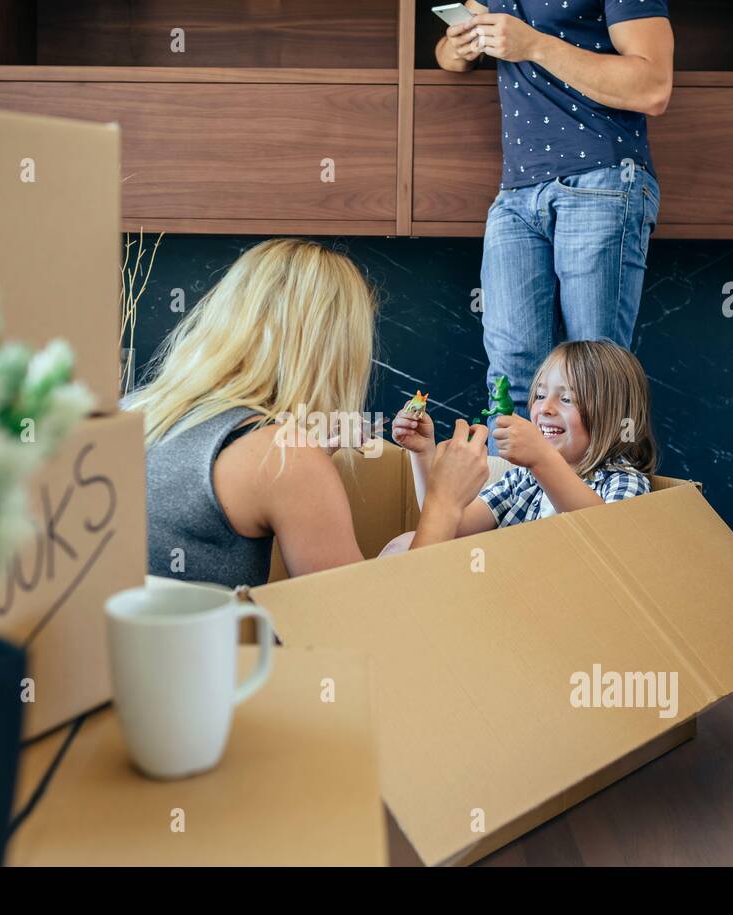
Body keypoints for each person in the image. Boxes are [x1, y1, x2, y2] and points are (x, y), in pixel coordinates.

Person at [124, 238, 491, 589]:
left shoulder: (133, 412)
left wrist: (308, 463)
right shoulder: (285, 459)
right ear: (333, 351)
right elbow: (369, 622)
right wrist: (444, 501)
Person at [436, 0, 673, 427]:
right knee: (510, 380)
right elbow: (448, 58)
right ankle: (508, 495)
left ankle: (600, 494)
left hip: (600, 180)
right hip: (516, 194)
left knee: (593, 377)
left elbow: (652, 87)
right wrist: (459, 47)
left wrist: (534, 45)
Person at [388, 339, 656, 551]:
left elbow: (611, 545)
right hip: (506, 595)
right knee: (405, 544)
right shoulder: (522, 480)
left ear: (611, 416)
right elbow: (446, 524)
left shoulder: (625, 482)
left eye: (566, 399)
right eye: (539, 394)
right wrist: (423, 453)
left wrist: (542, 459)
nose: (545, 408)